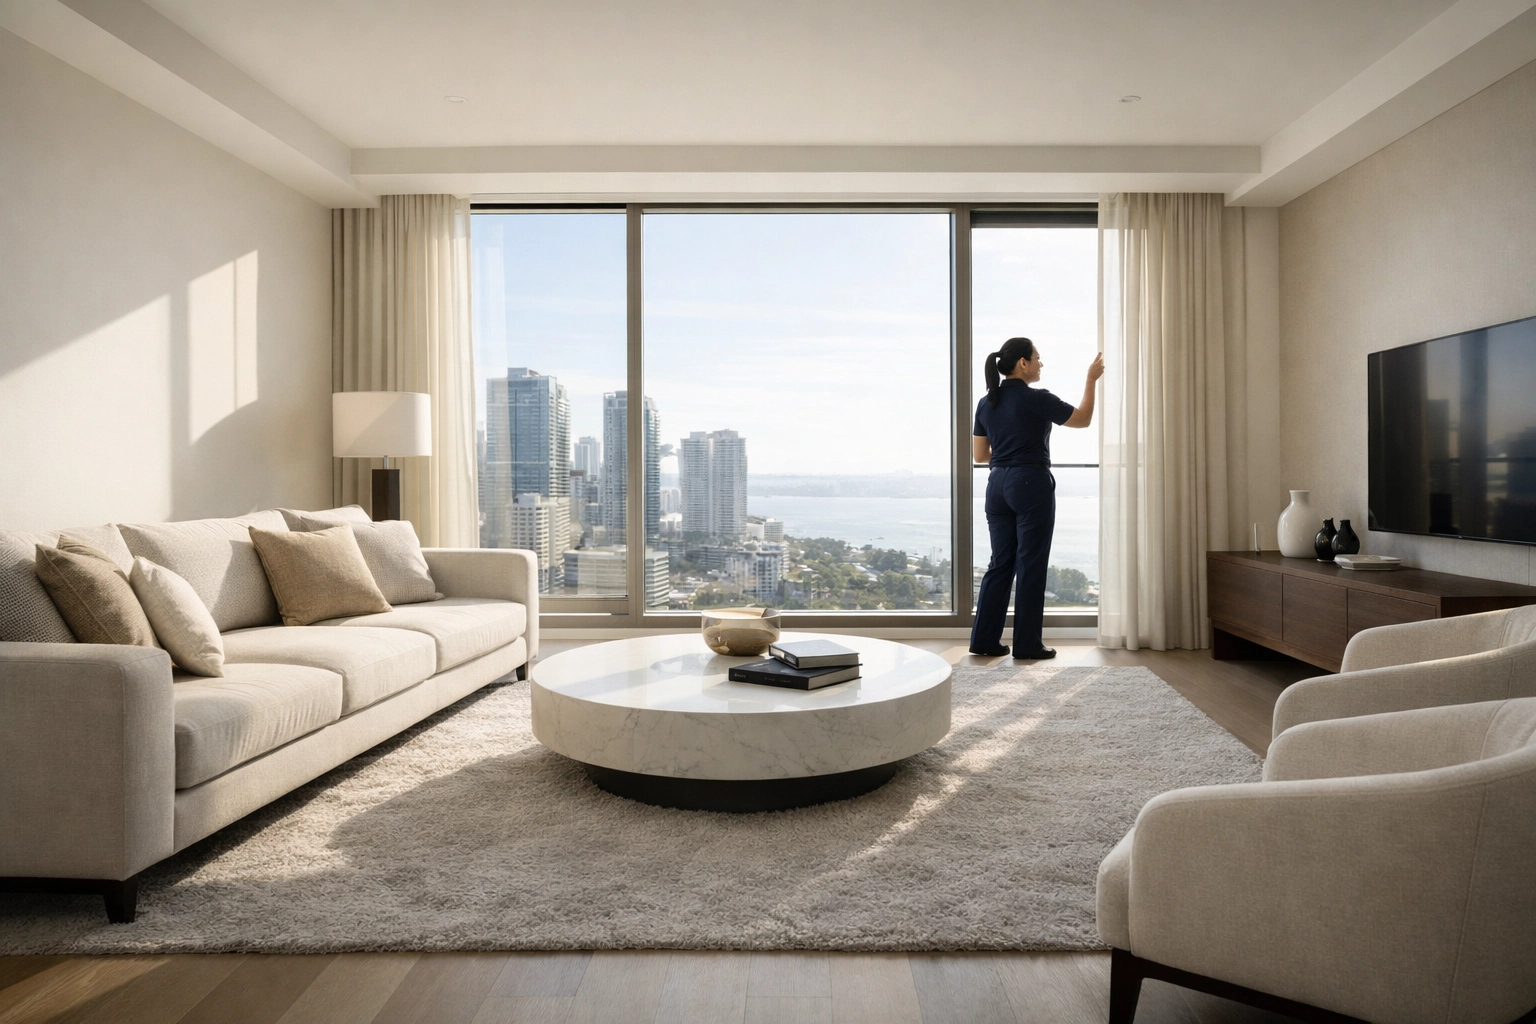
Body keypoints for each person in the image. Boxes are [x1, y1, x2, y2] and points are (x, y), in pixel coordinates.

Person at [969, 337, 1104, 659]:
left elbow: (980, 455)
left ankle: (984, 642)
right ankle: (1028, 644)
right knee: (1030, 563)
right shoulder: (1036, 398)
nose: (1041, 364)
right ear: (1023, 363)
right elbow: (1082, 419)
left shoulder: (986, 403)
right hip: (1030, 483)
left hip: (996, 485)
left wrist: (1008, 451)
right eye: (1037, 358)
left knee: (999, 564)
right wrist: (1090, 379)